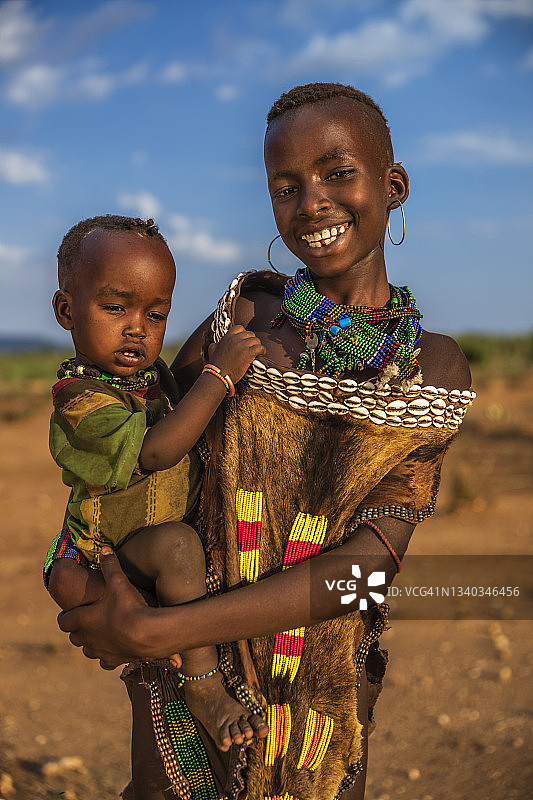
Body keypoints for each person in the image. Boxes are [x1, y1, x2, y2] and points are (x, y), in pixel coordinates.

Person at [49, 84, 474, 800]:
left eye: (336, 173)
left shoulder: (430, 370)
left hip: (319, 682)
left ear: (392, 185)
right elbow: (133, 453)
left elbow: (367, 572)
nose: (310, 201)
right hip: (187, 670)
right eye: (285, 186)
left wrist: (159, 630)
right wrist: (82, 575)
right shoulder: (247, 316)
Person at [46, 214, 268, 753]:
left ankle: (159, 640)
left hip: (137, 553)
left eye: (156, 313)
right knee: (175, 551)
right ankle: (204, 683)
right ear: (66, 310)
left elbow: (185, 383)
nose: (137, 327)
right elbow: (157, 449)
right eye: (115, 307)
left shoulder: (152, 381)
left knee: (172, 570)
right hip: (89, 561)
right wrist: (220, 376)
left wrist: (237, 313)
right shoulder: (80, 402)